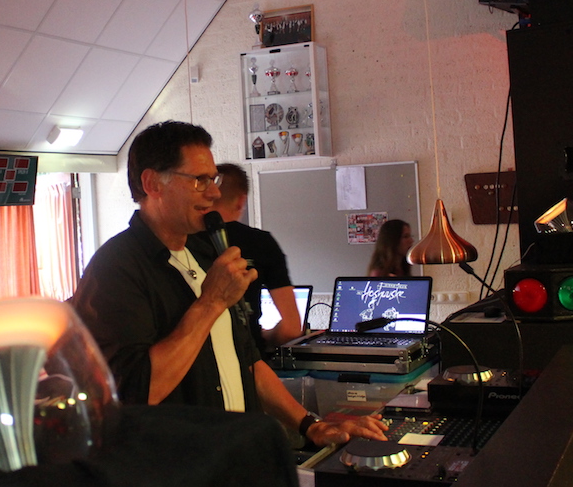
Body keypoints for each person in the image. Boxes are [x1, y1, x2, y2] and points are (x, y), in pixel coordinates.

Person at [71, 121, 385, 448]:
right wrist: (210, 303)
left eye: (214, 179)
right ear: (152, 184)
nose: (214, 193)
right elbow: (136, 393)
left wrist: (310, 425)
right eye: (199, 180)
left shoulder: (206, 253)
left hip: (238, 455)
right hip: (181, 465)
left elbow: (247, 360)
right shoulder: (115, 269)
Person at [204, 163, 302, 358]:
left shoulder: (183, 240)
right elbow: (291, 329)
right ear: (241, 201)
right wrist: (265, 337)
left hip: (194, 360)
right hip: (249, 359)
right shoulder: (262, 243)